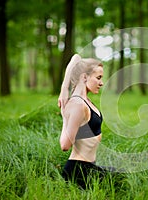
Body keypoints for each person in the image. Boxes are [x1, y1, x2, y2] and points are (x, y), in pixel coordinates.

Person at [58, 54, 106, 189]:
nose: (101, 83)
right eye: (98, 78)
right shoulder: (77, 104)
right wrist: (64, 116)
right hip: (78, 171)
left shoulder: (85, 101)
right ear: (84, 77)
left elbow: (76, 57)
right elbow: (65, 145)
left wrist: (63, 90)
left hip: (90, 167)